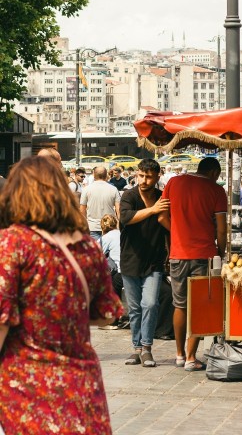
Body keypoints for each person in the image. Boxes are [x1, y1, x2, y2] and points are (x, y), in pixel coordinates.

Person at [0, 156, 122, 435]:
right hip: (83, 386)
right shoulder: (87, 248)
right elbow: (105, 316)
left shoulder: (13, 244)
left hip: (28, 390)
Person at [161, 157, 227, 372]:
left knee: (180, 304)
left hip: (178, 254)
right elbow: (221, 229)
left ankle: (179, 355)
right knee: (199, 305)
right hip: (204, 255)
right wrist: (221, 251)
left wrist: (178, 233)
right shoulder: (216, 191)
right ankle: (191, 358)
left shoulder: (174, 182)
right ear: (214, 173)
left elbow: (161, 217)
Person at [119, 158, 170, 368]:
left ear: (157, 176)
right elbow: (125, 218)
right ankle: (137, 349)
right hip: (130, 259)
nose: (144, 180)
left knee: (150, 303)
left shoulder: (162, 197)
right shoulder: (128, 196)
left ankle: (147, 347)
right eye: (141, 175)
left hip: (154, 260)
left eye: (149, 176)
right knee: (134, 308)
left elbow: (168, 222)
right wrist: (152, 210)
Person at [80, 165, 120, 241]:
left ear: (94, 176)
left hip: (92, 227)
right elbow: (119, 210)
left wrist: (85, 225)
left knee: (95, 252)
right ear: (106, 176)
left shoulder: (86, 189)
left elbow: (82, 210)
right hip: (110, 226)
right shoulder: (114, 189)